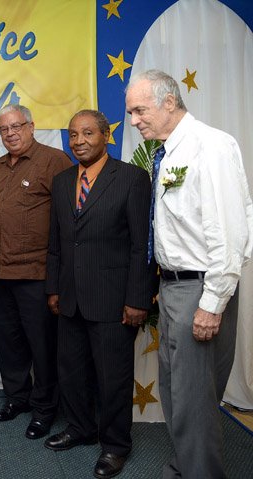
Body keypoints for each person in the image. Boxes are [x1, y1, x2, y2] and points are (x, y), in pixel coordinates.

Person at [126, 69, 253, 479]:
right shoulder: (167, 152)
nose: (133, 121)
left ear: (168, 102)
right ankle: (184, 468)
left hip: (201, 289)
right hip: (177, 288)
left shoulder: (210, 146)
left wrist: (212, 302)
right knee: (178, 397)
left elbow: (231, 231)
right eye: (130, 112)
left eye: (139, 110)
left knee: (194, 404)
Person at [45, 110, 152, 478]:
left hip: (112, 299)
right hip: (70, 298)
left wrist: (138, 299)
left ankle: (115, 446)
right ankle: (79, 427)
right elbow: (56, 242)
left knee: (113, 378)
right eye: (73, 135)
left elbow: (142, 246)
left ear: (106, 135)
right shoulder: (61, 181)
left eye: (88, 133)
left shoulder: (132, 179)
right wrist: (54, 289)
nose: (79, 141)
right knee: (71, 373)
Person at [0, 104, 72, 440]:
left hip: (37, 273)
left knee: (43, 347)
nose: (10, 133)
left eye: (16, 126)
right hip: (3, 271)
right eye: (3, 129)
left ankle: (45, 409)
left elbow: (69, 218)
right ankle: (17, 398)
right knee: (10, 344)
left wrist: (61, 276)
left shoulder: (54, 161)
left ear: (32, 126)